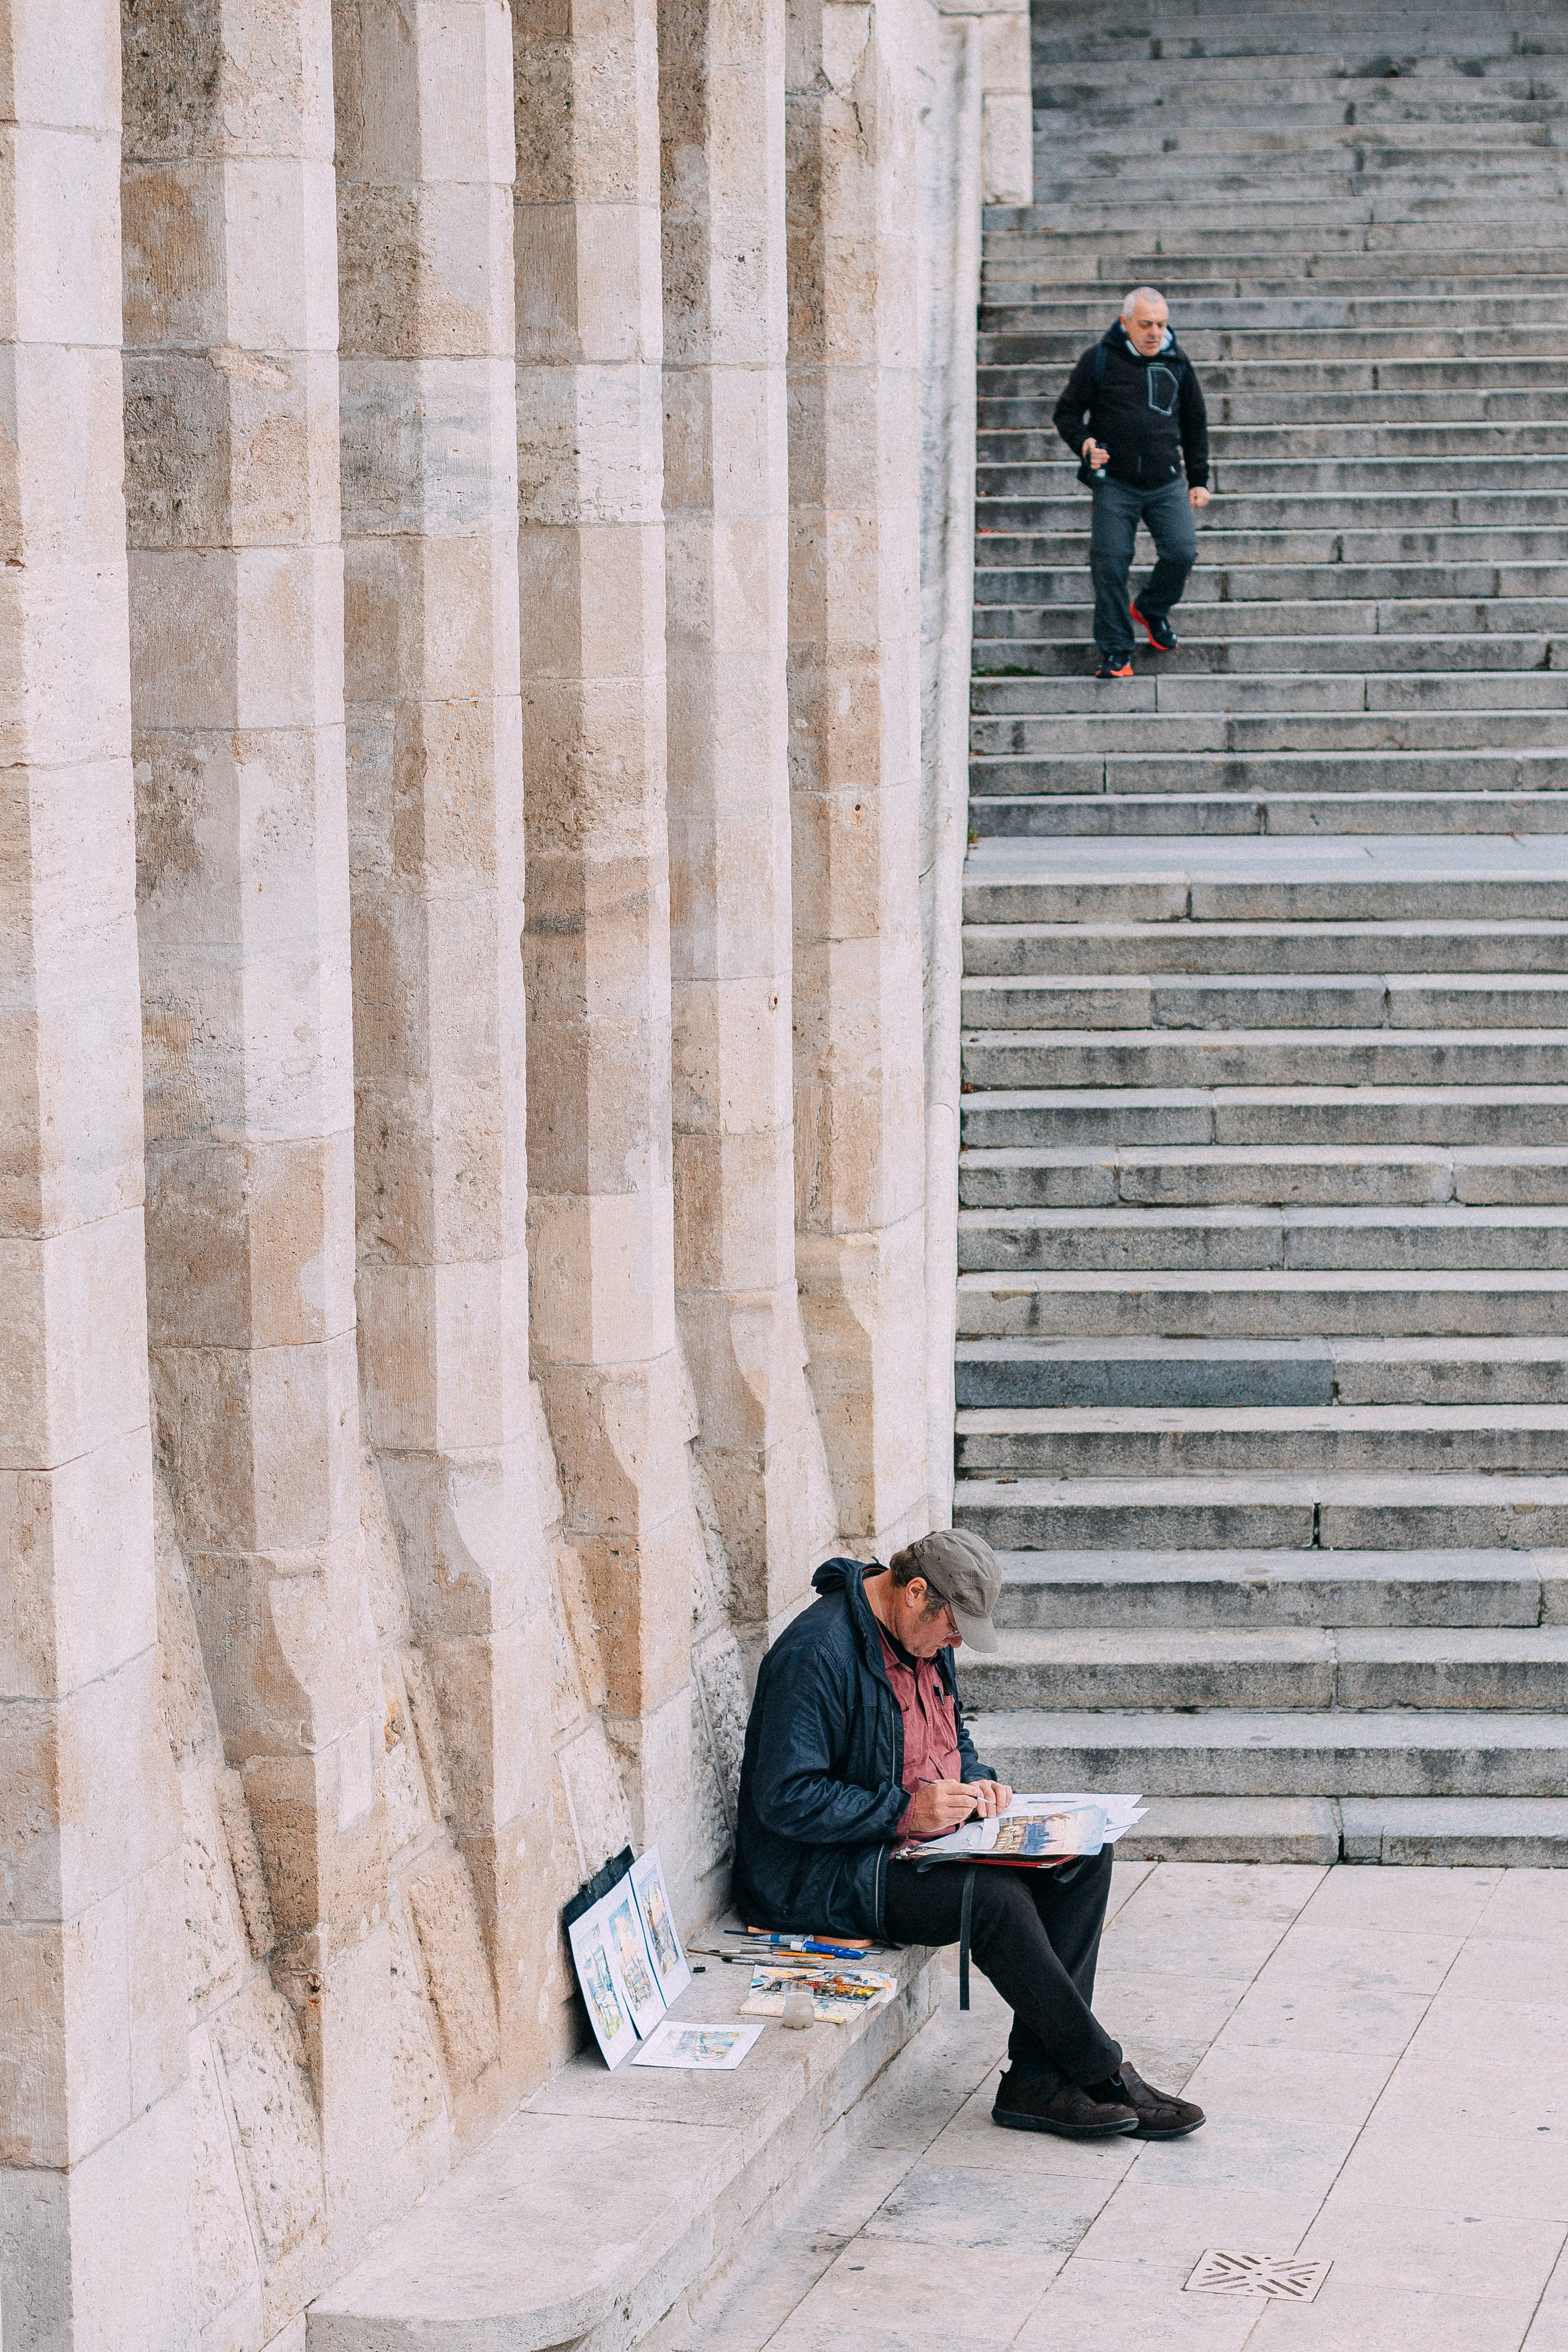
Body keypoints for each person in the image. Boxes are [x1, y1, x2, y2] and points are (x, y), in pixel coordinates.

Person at [731, 1529, 1205, 2143]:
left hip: (918, 1842)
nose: (955, 1645)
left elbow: (957, 1740)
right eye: (952, 1629)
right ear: (915, 1593)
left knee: (1083, 1853)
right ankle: (1101, 2070)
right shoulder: (817, 1652)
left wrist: (980, 1786)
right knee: (990, 1901)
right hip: (819, 1875)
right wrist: (906, 1812)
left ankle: (1037, 2081)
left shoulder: (924, 1638)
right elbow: (784, 1798)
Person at [1052, 285, 1211, 679]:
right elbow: (1066, 413)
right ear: (1126, 324)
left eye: (1161, 324)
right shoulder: (1100, 360)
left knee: (1182, 552)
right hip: (1115, 484)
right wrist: (1085, 443)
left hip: (1166, 482)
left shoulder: (1177, 363)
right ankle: (1117, 652)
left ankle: (1151, 610)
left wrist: (1199, 478)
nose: (1155, 332)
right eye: (1145, 325)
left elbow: (1195, 424)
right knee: (1109, 564)